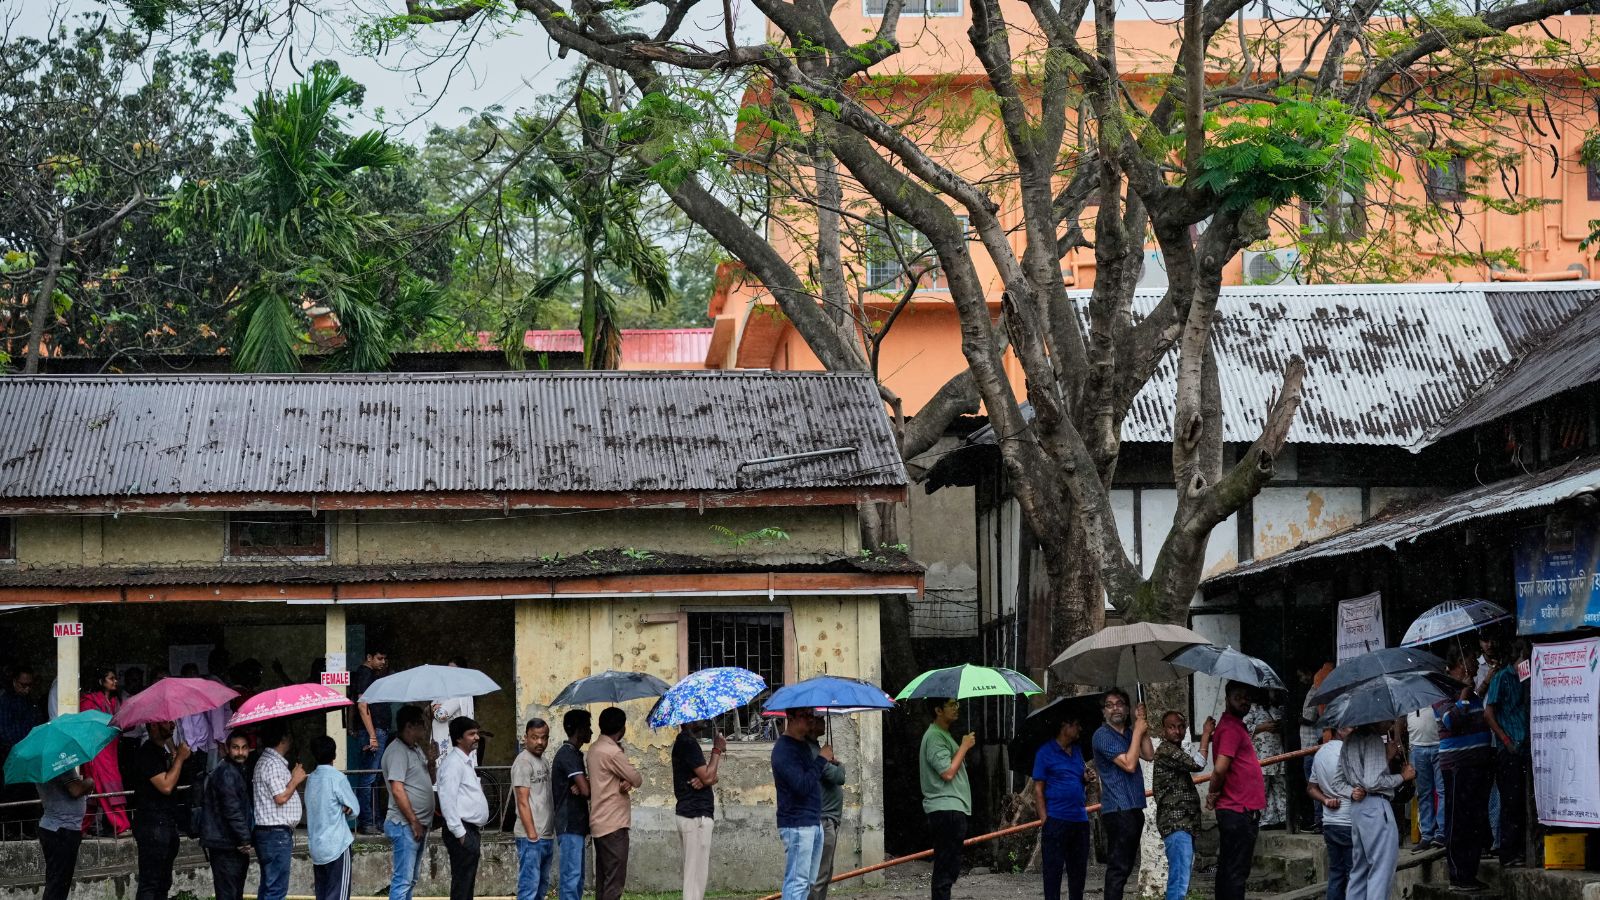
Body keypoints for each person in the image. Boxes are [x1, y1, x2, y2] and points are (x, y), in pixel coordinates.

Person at [1437, 646, 1493, 891]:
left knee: (1474, 820)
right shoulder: (1443, 688)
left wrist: (1472, 691)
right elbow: (1450, 720)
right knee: (1458, 820)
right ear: (1461, 661)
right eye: (1471, 659)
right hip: (1458, 765)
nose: (1474, 664)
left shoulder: (1470, 689)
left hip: (1477, 762)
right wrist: (1464, 695)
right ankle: (1458, 875)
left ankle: (1469, 872)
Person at [1341, 721, 1415, 900]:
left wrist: (1386, 757)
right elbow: (1373, 782)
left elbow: (1349, 777)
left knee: (1360, 870)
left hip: (1359, 808)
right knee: (1381, 870)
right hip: (1376, 806)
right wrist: (1402, 777)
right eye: (1388, 720)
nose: (1390, 724)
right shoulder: (1373, 739)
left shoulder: (1350, 740)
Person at [1207, 681, 1267, 900]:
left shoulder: (1234, 726)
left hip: (1238, 808)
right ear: (1227, 698)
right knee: (1236, 872)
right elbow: (1221, 768)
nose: (1244, 701)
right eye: (1238, 696)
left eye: (1247, 697)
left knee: (1229, 869)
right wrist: (1212, 792)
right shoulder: (1231, 727)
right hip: (1238, 809)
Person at [1092, 689, 1151, 900]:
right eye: (1110, 704)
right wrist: (1137, 733)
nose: (1115, 708)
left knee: (1125, 868)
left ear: (1127, 708)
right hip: (1118, 809)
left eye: (1119, 703)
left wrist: (1141, 726)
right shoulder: (1102, 735)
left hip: (1134, 807)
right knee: (1118, 867)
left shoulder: (1127, 732)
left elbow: (1149, 754)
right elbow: (1129, 763)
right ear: (1104, 712)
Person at [1036, 712, 1097, 900]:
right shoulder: (1045, 752)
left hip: (1079, 820)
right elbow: (1038, 790)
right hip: (1056, 820)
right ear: (1065, 725)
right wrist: (1046, 820)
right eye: (1076, 724)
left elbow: (1076, 779)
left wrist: (1086, 778)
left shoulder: (1077, 751)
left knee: (1078, 876)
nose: (1080, 729)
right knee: (1052, 875)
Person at [1154, 711, 1212, 900]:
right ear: (1164, 730)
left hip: (1184, 824)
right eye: (1171, 727)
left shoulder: (1175, 752)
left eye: (1180, 727)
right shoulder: (1166, 750)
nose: (1177, 731)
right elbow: (1198, 764)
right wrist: (1205, 734)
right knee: (1179, 881)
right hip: (1176, 823)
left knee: (1180, 879)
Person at [588, 707, 643, 900]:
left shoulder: (594, 749)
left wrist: (623, 779)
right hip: (614, 824)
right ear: (622, 727)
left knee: (604, 881)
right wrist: (627, 778)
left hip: (599, 822)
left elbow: (612, 778)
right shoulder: (612, 752)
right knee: (615, 884)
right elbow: (636, 778)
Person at [1483, 638, 1529, 868]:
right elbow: (1488, 714)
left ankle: (1518, 850)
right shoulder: (1501, 678)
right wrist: (1505, 739)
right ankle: (1508, 853)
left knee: (1521, 801)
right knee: (1510, 803)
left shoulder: (1525, 678)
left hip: (1523, 747)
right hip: (1508, 748)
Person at [384, 705, 438, 900]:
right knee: (403, 880)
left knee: (411, 879)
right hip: (405, 824)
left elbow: (430, 781)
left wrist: (431, 762)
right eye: (421, 724)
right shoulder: (397, 751)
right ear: (409, 726)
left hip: (416, 824)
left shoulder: (415, 749)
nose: (424, 728)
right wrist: (414, 821)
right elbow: (398, 790)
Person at [132, 719, 190, 900]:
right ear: (154, 726)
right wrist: (179, 758)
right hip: (152, 825)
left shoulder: (162, 752)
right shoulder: (147, 753)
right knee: (151, 882)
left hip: (166, 823)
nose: (172, 725)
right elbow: (165, 785)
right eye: (167, 722)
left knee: (164, 881)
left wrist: (175, 758)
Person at [774, 708, 828, 900]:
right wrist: (821, 760)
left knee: (807, 883)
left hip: (811, 821)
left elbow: (809, 778)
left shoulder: (802, 746)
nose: (810, 721)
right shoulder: (783, 750)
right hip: (797, 823)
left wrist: (824, 760)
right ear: (790, 719)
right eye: (805, 716)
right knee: (797, 883)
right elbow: (801, 786)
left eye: (811, 716)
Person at [437, 716, 490, 900]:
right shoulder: (453, 763)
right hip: (462, 830)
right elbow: (447, 800)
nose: (476, 737)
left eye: (477, 733)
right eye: (471, 734)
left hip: (469, 830)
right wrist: (460, 834)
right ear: (459, 738)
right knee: (462, 883)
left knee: (467, 883)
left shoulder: (465, 761)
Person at [673, 719, 725, 900]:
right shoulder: (687, 742)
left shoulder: (688, 741)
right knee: (694, 879)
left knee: (697, 877)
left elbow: (710, 776)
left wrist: (706, 779)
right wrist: (717, 749)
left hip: (694, 814)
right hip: (695, 816)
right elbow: (710, 776)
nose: (705, 719)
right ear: (689, 720)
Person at [252, 721, 306, 900]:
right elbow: (281, 797)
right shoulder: (271, 764)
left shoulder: (271, 763)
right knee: (276, 889)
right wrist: (295, 780)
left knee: (269, 886)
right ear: (283, 739)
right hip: (275, 835)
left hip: (272, 834)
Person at [201, 732, 254, 900]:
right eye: (236, 748)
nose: (240, 752)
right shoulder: (227, 772)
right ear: (227, 749)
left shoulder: (235, 770)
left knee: (233, 891)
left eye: (244, 748)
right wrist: (245, 839)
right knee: (228, 893)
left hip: (229, 842)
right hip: (226, 844)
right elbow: (232, 809)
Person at [306, 735, 359, 900]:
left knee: (322, 894)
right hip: (336, 845)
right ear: (334, 755)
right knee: (338, 895)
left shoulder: (310, 779)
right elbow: (355, 809)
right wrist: (346, 811)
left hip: (317, 847)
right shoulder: (337, 778)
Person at [80, 667, 130, 835]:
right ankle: (121, 825)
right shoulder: (89, 701)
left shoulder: (115, 702)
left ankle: (80, 828)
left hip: (111, 751)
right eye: (111, 678)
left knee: (96, 791)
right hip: (97, 751)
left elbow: (125, 724)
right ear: (100, 682)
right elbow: (91, 724)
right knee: (107, 787)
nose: (115, 681)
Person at [1308, 727, 1356, 900]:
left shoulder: (1321, 752)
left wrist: (1325, 800)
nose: (1355, 730)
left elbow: (1311, 788)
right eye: (1351, 727)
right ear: (1340, 729)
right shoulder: (1347, 752)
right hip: (1349, 821)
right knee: (1354, 875)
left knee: (1336, 873)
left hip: (1330, 822)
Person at [512, 718, 556, 900]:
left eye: (544, 738)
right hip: (530, 837)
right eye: (535, 737)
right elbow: (522, 801)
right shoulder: (523, 762)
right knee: (529, 888)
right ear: (526, 737)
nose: (540, 742)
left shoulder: (543, 761)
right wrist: (532, 837)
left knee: (541, 887)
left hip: (545, 835)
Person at [349, 645, 392, 834]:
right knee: (368, 778)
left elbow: (353, 704)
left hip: (373, 731)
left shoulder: (367, 674)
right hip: (373, 732)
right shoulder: (365, 673)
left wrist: (352, 727)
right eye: (379, 658)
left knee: (372, 778)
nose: (382, 663)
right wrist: (373, 735)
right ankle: (367, 821)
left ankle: (374, 820)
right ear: (369, 657)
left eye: (384, 659)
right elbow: (361, 705)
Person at [551, 709, 593, 900]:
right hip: (569, 824)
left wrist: (584, 783)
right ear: (578, 730)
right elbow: (586, 791)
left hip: (575, 825)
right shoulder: (567, 755)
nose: (591, 731)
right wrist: (585, 784)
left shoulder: (574, 753)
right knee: (571, 878)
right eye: (588, 727)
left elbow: (583, 787)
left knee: (577, 878)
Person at [36, 765, 92, 900]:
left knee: (56, 880)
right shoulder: (62, 763)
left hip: (54, 827)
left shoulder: (43, 766)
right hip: (63, 828)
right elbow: (76, 790)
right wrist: (90, 782)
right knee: (59, 884)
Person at [1297, 661, 1332, 832]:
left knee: (1315, 785)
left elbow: (1318, 718)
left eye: (1301, 675)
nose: (1300, 679)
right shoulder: (1312, 690)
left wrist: (1301, 720)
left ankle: (1321, 820)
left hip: (1313, 745)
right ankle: (1320, 819)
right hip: (1307, 745)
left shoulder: (1317, 690)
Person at [1244, 694, 1287, 827]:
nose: (1272, 694)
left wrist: (1279, 726)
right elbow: (1244, 728)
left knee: (1281, 787)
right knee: (1263, 789)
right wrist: (1263, 727)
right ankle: (1266, 820)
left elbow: (1285, 725)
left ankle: (1283, 817)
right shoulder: (1253, 709)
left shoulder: (1277, 709)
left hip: (1278, 753)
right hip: (1262, 756)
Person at [1405, 706, 1444, 850]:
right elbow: (1400, 717)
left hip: (1439, 744)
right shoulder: (1410, 691)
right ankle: (1427, 834)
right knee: (1424, 793)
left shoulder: (1436, 688)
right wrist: (1398, 742)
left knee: (1442, 791)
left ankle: (1441, 833)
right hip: (1417, 747)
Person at [431, 657, 478, 763]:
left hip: (451, 746)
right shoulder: (447, 691)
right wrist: (434, 708)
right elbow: (429, 710)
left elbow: (441, 715)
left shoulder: (461, 692)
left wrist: (435, 709)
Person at [0, 664, 44, 752]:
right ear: (15, 681)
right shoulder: (5, 700)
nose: (27, 688)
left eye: (30, 685)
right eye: (24, 685)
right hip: (13, 751)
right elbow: (4, 732)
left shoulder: (28, 698)